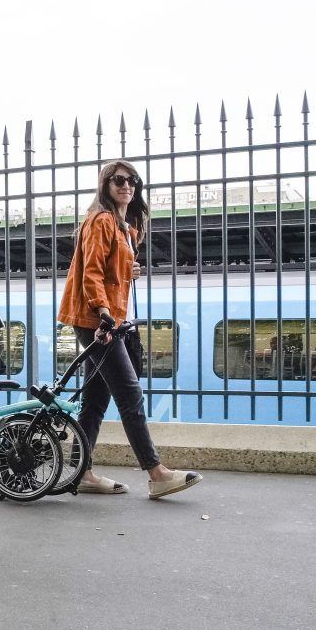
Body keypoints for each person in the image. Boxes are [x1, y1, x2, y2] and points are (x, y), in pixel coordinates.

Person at [57, 160, 202, 499]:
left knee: (95, 401)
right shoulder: (102, 220)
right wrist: (104, 312)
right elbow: (90, 272)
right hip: (97, 319)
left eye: (132, 180)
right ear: (105, 185)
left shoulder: (125, 227)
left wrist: (127, 271)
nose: (127, 185)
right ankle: (157, 473)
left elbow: (108, 271)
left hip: (110, 319)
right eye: (118, 180)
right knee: (129, 393)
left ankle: (82, 472)